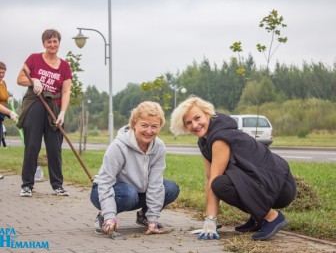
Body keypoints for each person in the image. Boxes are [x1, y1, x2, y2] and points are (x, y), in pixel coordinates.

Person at [170, 96, 296, 241]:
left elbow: (215, 179)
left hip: (281, 187)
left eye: (197, 118)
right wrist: (209, 219)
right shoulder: (204, 141)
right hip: (266, 185)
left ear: (207, 114)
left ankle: (271, 217)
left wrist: (210, 219)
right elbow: (209, 176)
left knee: (220, 184)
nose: (194, 125)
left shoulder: (219, 138)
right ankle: (258, 217)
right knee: (220, 181)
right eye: (188, 123)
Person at [90, 101, 180, 236]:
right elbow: (105, 182)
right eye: (144, 125)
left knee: (170, 188)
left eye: (154, 126)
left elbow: (155, 184)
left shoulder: (159, 147)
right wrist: (109, 215)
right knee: (129, 193)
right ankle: (104, 216)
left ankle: (144, 216)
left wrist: (153, 219)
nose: (149, 131)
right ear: (134, 124)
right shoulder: (118, 147)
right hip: (107, 191)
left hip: (137, 192)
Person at [17, 29, 72, 197]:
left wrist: (62, 112)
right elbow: (20, 79)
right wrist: (34, 80)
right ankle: (27, 185)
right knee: (32, 145)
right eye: (49, 42)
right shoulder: (33, 59)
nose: (52, 45)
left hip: (53, 107)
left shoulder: (64, 66)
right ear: (44, 44)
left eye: (55, 41)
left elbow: (65, 91)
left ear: (59, 43)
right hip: (35, 103)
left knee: (54, 147)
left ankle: (57, 185)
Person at [0, 62, 15, 146]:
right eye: (0, 72)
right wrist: (10, 112)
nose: (1, 75)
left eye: (3, 72)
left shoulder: (3, 83)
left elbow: (4, 97)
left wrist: (9, 98)